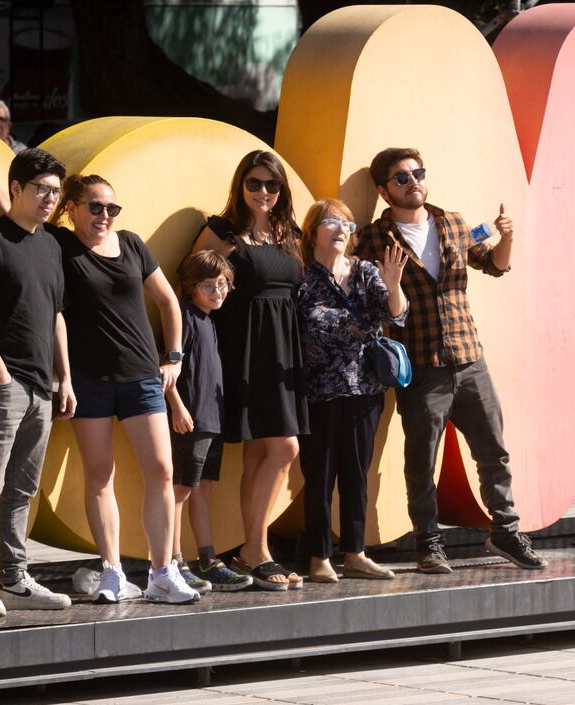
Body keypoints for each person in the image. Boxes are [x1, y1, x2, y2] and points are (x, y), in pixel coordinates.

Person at [0, 127, 196, 605]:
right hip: (73, 381)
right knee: (80, 477)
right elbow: (7, 209)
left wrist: (173, 356)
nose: (103, 215)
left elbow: (166, 301)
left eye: (111, 208)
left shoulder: (130, 245)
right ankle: (105, 571)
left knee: (159, 469)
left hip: (125, 376)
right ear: (70, 209)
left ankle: (162, 571)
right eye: (94, 206)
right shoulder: (56, 244)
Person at [355, 148, 546, 574]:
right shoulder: (374, 238)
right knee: (421, 459)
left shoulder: (453, 223)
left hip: (469, 357)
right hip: (421, 365)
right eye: (401, 178)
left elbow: (495, 266)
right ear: (384, 190)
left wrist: (507, 237)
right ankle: (429, 541)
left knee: (493, 450)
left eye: (417, 173)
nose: (413, 182)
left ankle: (506, 530)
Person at [0, 146, 77, 616]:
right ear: (15, 189)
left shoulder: (49, 244)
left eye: (55, 192)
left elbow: (57, 315)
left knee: (23, 489)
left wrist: (63, 377)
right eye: (41, 190)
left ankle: (15, 580)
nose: (49, 199)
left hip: (42, 387)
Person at [191, 151, 308, 592]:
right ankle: (257, 551)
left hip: (284, 354)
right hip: (244, 349)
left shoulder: (289, 234)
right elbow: (195, 282)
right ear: (240, 185)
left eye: (272, 185)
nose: (263, 192)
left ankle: (251, 549)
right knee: (285, 449)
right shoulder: (223, 231)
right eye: (254, 183)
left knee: (263, 453)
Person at [296, 200, 409, 583]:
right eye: (332, 222)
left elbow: (396, 314)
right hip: (319, 392)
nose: (341, 229)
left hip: (364, 388)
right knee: (320, 475)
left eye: (347, 222)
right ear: (312, 231)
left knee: (356, 473)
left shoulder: (364, 271)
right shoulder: (302, 279)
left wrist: (393, 285)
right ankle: (318, 556)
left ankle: (356, 553)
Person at [166, 251, 253, 591]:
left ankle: (207, 559)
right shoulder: (184, 317)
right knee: (181, 490)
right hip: (192, 418)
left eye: (223, 284)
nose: (218, 292)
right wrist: (178, 407)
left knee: (203, 489)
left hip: (211, 420)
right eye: (209, 285)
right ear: (191, 287)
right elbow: (167, 368)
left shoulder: (210, 320)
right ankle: (173, 561)